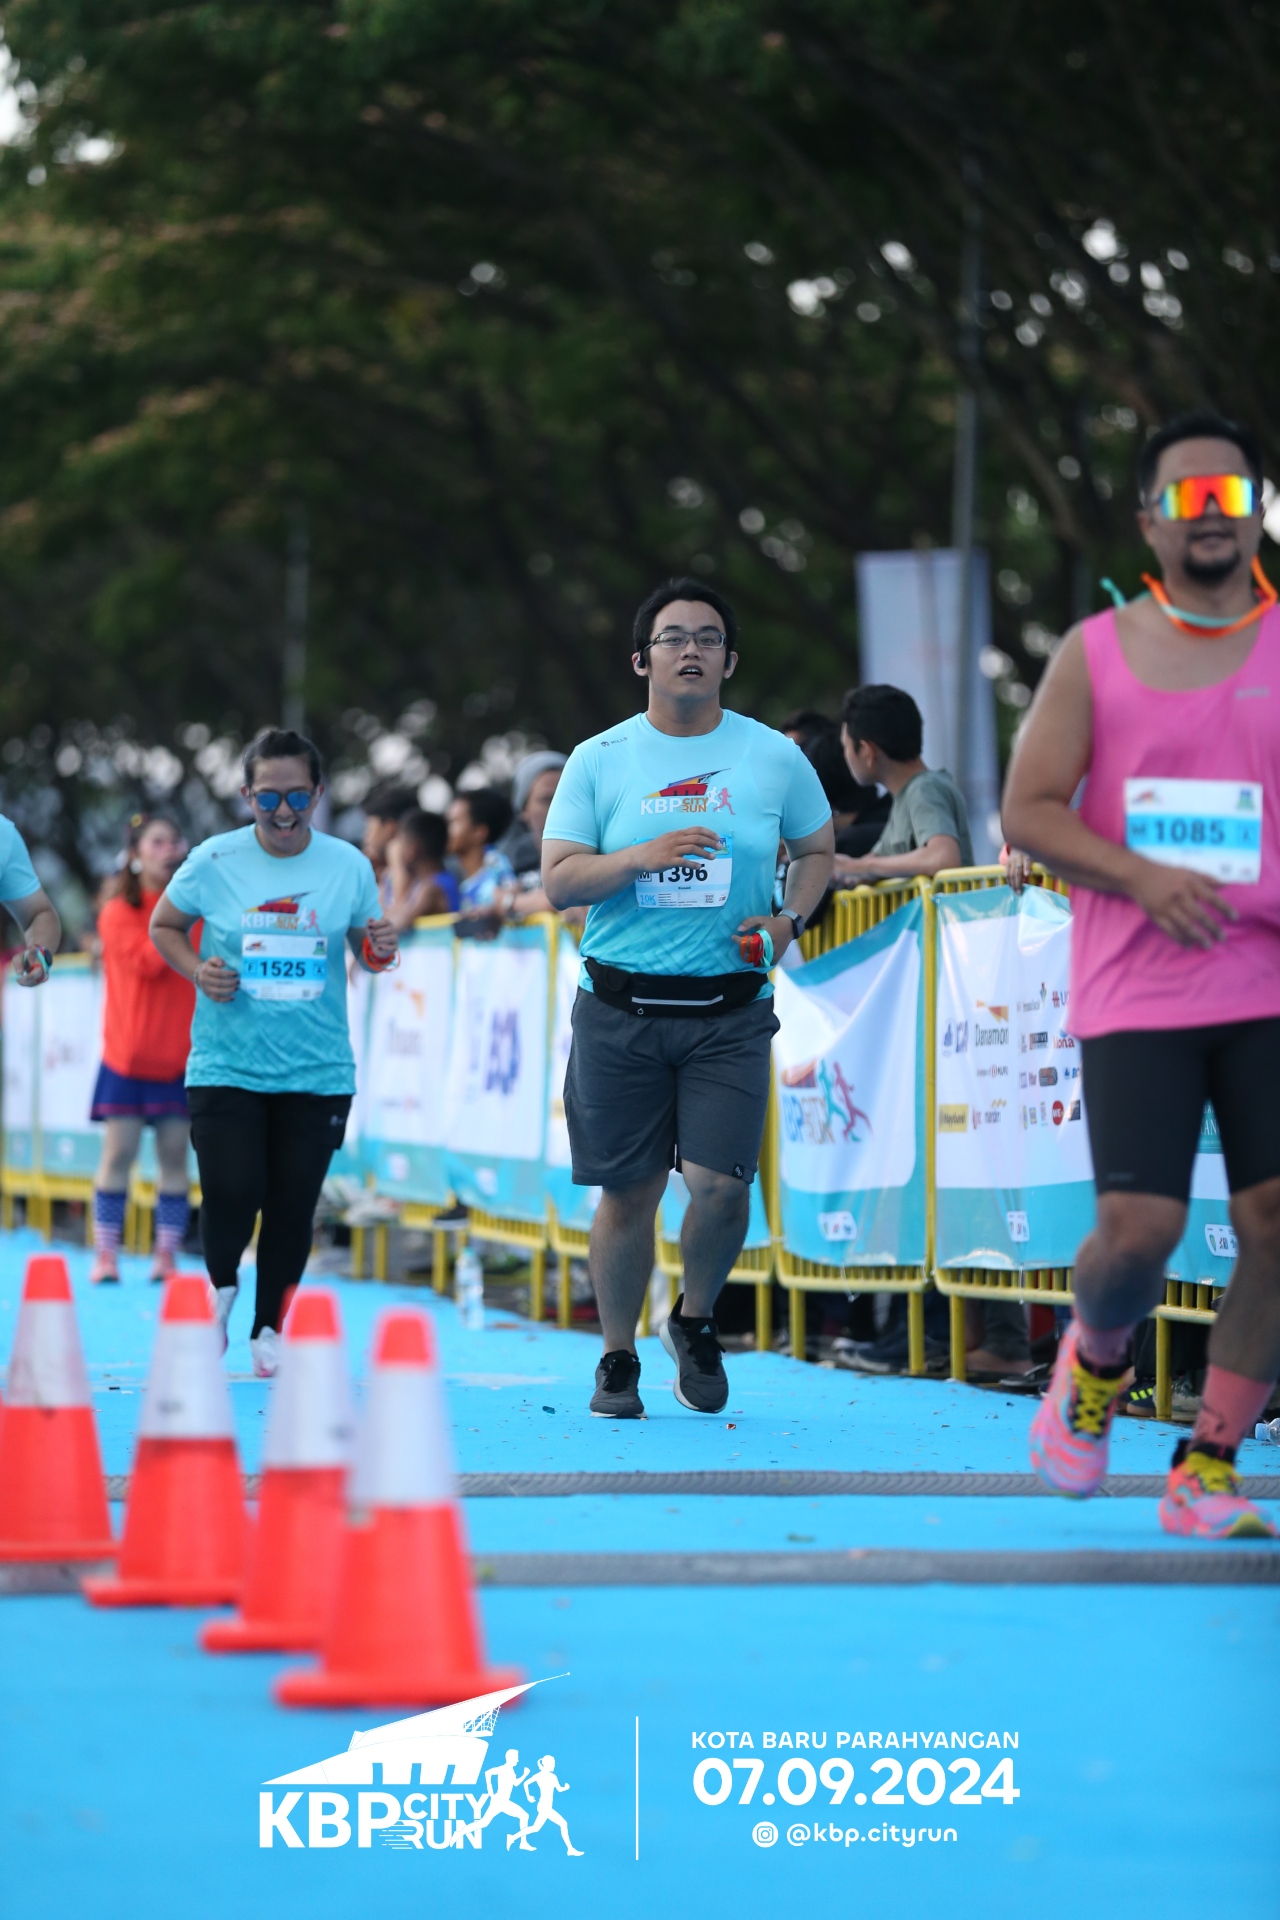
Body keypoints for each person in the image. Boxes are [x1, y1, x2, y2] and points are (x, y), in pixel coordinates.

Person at [1003, 408, 1280, 1539]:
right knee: (1138, 1232)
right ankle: (1097, 1356)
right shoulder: (1096, 651)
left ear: (1256, 513)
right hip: (1141, 982)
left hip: (1267, 981)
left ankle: (1207, 1464)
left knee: (1275, 1220)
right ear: (1148, 521)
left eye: (1230, 496)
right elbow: (1028, 810)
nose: (1210, 516)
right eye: (1187, 497)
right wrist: (1139, 876)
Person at [542, 576, 834, 1418]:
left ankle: (695, 1320)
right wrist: (642, 856)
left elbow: (816, 850)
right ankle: (617, 1356)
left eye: (709, 638)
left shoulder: (773, 756)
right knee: (630, 1192)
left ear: (730, 661)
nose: (692, 650)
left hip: (729, 1011)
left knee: (721, 1188)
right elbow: (559, 881)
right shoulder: (599, 759)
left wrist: (788, 920)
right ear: (642, 660)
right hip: (621, 1009)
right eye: (673, 637)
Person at [150, 727, 398, 1378]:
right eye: (267, 798)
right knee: (233, 1189)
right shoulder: (213, 860)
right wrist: (197, 970)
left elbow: (367, 950)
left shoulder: (348, 865)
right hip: (227, 1063)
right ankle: (221, 1287)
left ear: (317, 794)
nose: (283, 812)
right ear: (246, 796)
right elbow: (164, 925)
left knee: (292, 1205)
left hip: (317, 1069)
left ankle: (269, 1329)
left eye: (296, 797)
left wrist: (380, 949)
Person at [89, 814, 195, 1285]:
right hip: (127, 1058)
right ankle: (106, 1256)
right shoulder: (116, 912)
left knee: (175, 1157)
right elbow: (151, 961)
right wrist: (180, 919)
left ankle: (166, 1257)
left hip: (178, 1057)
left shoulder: (197, 911)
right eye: (157, 842)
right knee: (119, 1155)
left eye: (174, 841)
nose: (168, 849)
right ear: (135, 855)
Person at [831, 684, 974, 884]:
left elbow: (943, 857)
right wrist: (845, 868)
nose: (845, 756)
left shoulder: (924, 790)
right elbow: (874, 862)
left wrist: (862, 867)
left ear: (867, 751)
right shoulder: (905, 797)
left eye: (845, 747)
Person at [498, 751, 567, 880]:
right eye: (547, 800)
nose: (558, 808)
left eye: (566, 798)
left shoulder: (597, 857)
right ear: (523, 809)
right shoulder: (504, 869)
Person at [384, 807, 457, 928]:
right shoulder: (422, 883)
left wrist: (397, 866)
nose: (395, 848)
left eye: (400, 841)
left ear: (411, 849)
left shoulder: (432, 889)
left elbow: (394, 924)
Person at [447, 787, 516, 912]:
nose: (446, 830)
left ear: (478, 832)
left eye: (454, 822)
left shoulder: (498, 872)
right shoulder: (465, 883)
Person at [361, 782, 418, 912]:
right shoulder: (386, 870)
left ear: (389, 827)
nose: (366, 837)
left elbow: (399, 909)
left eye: (370, 828)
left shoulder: (397, 851)